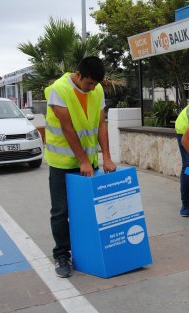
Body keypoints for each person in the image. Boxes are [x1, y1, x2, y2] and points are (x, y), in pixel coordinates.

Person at [44, 56, 117, 278]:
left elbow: (101, 124)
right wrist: (83, 160)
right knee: (61, 211)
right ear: (78, 75)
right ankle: (61, 255)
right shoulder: (59, 89)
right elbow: (67, 128)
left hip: (90, 163)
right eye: (89, 83)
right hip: (62, 163)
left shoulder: (97, 91)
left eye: (95, 84)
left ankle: (87, 252)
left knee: (88, 211)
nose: (92, 88)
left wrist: (107, 156)